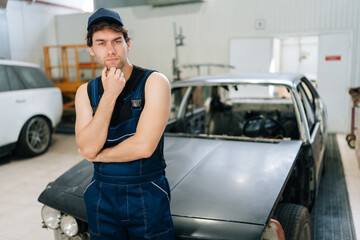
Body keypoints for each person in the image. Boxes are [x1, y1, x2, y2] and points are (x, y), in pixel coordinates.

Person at [74, 8, 174, 240]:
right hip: (102, 195)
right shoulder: (85, 92)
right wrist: (109, 95)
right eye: (101, 43)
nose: (110, 50)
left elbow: (144, 147)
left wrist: (98, 156)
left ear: (128, 43)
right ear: (91, 49)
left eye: (116, 41)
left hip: (147, 192)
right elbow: (88, 146)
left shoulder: (154, 82)